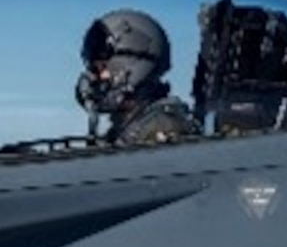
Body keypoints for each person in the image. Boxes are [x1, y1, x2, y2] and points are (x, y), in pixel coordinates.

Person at [75, 9, 200, 146]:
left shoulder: (165, 127)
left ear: (133, 64)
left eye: (101, 68)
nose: (95, 78)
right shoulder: (129, 128)